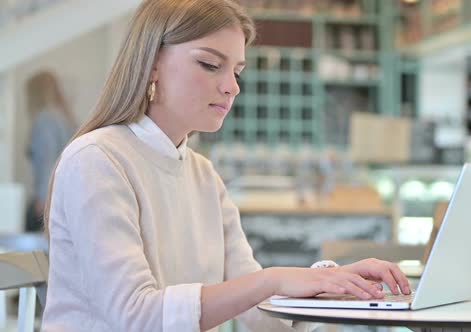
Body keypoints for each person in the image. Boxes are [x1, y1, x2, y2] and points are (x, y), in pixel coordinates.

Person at [41, 1, 411, 331]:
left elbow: (259, 315)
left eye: (237, 71)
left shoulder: (202, 175)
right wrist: (274, 280)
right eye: (210, 65)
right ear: (152, 64)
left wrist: (331, 285)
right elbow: (137, 317)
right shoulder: (97, 160)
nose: (232, 87)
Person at [25, 71, 75, 232]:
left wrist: (42, 200)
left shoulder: (45, 119)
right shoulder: (66, 119)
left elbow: (48, 161)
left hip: (48, 202)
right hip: (65, 200)